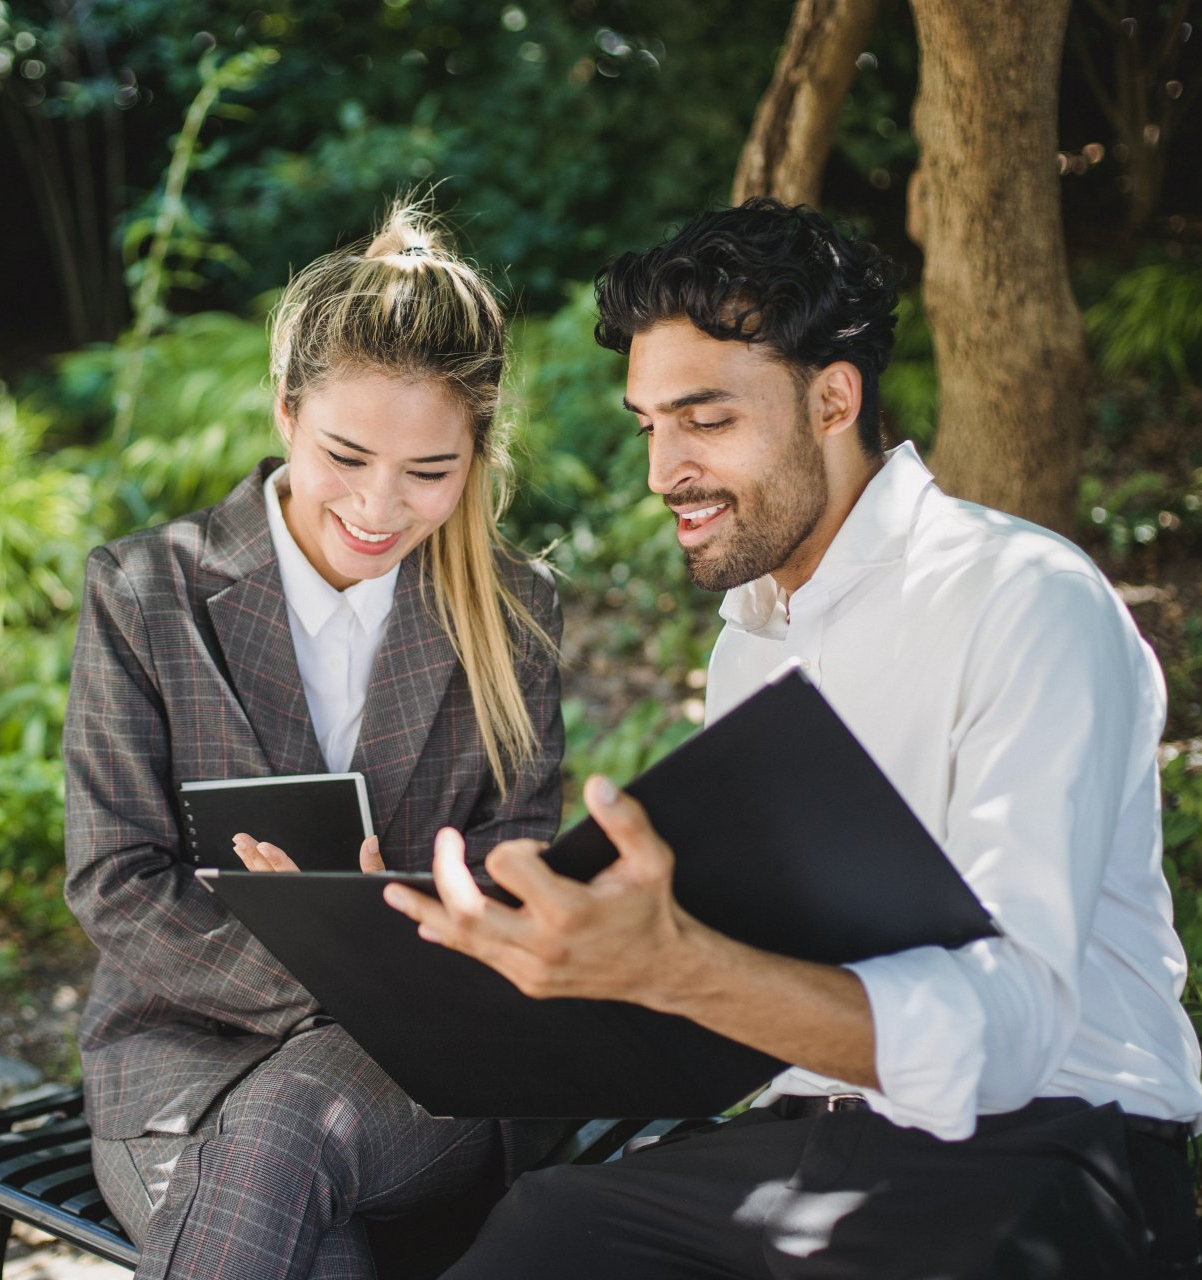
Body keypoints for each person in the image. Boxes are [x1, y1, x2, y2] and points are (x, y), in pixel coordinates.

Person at [383, 198, 1202, 1279]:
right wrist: (523, 943)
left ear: (831, 397)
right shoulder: (754, 644)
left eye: (704, 419)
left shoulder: (1023, 598)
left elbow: (1010, 1031)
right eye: (647, 424)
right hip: (801, 1139)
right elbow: (743, 979)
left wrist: (677, 965)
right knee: (538, 1233)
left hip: (1050, 1141)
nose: (660, 471)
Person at [62, 201, 565, 1280]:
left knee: (293, 1122)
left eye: (431, 471)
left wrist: (399, 951)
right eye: (346, 454)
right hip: (180, 1057)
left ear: (476, 455)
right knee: (315, 1237)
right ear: (285, 411)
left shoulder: (513, 612)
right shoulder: (147, 592)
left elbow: (514, 863)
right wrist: (338, 967)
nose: (381, 506)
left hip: (416, 1065)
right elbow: (115, 876)